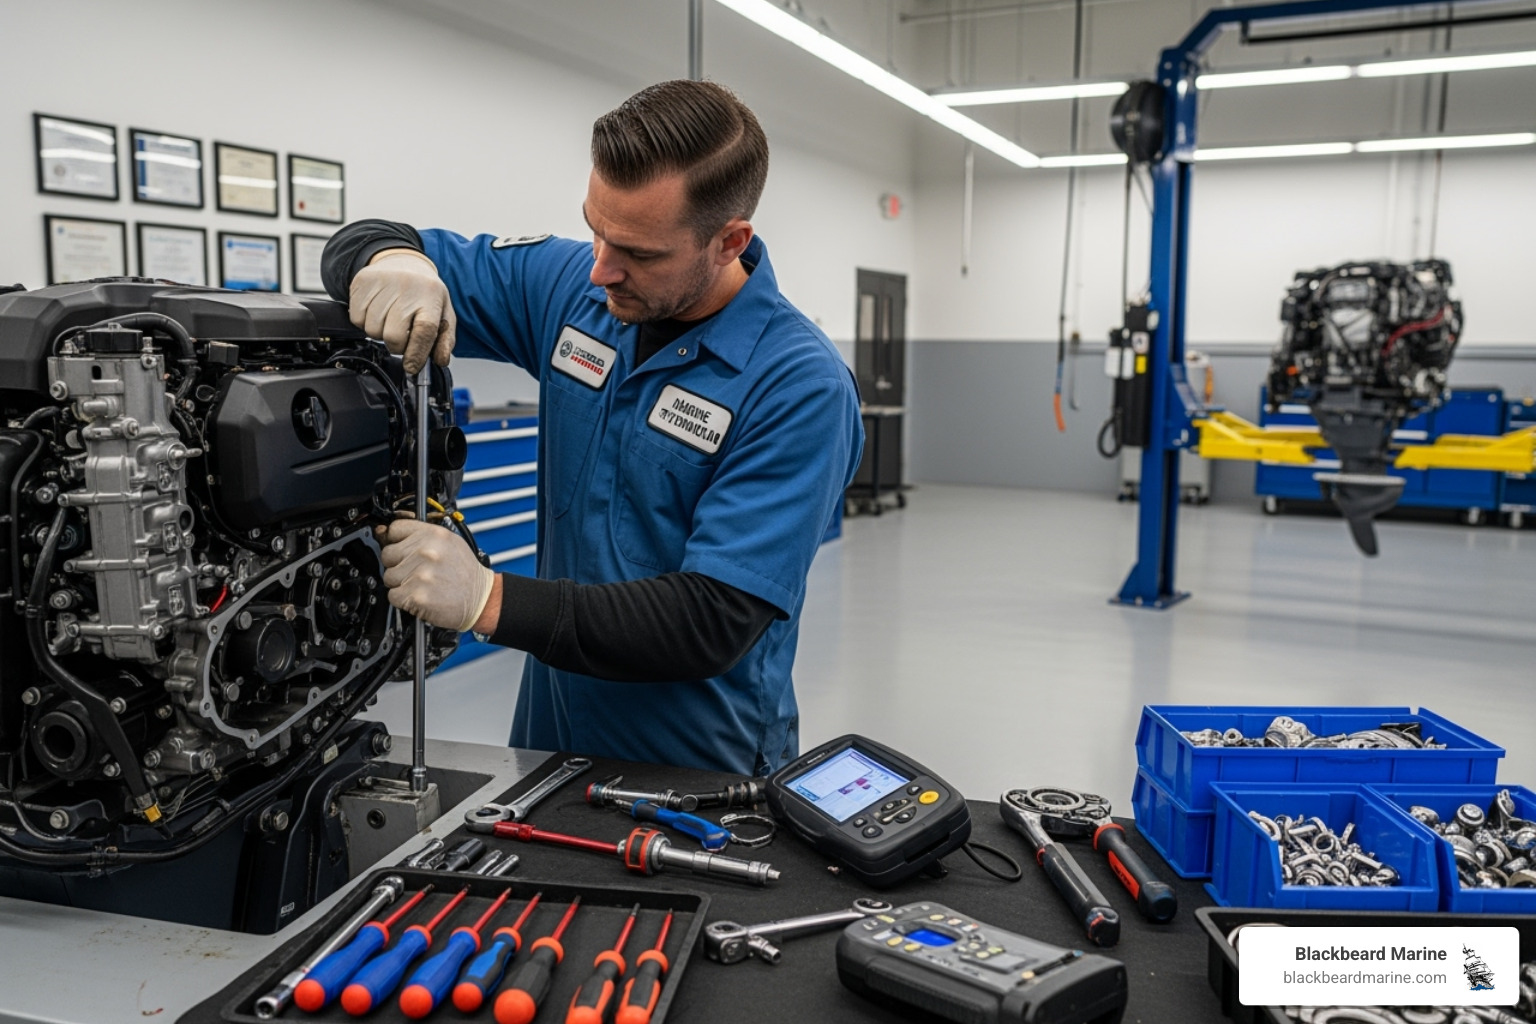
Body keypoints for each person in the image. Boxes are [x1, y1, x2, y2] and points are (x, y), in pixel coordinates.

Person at [321, 80, 863, 776]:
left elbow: (712, 618)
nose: (602, 267)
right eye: (595, 228)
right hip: (550, 736)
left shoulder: (798, 384)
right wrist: (393, 262)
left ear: (729, 242)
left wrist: (489, 599)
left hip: (697, 765)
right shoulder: (574, 289)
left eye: (638, 251)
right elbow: (365, 241)